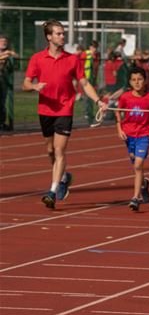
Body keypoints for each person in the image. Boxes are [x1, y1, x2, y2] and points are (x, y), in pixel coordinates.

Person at [23, 19, 107, 209]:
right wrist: (34, 86)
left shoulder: (72, 59)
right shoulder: (37, 58)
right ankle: (64, 176)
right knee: (50, 150)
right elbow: (26, 83)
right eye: (59, 33)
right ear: (49, 37)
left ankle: (53, 190)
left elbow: (84, 83)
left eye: (63, 33)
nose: (62, 36)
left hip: (64, 109)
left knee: (60, 151)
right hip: (45, 109)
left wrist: (98, 101)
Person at [115, 67, 149, 211]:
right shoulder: (125, 97)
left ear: (145, 81)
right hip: (129, 135)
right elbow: (118, 111)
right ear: (130, 82)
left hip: (144, 135)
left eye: (140, 79)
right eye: (134, 80)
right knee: (136, 164)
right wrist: (119, 128)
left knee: (138, 165)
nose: (137, 83)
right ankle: (144, 184)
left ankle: (135, 198)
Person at [0, 35, 17, 131]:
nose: (3, 42)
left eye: (5, 41)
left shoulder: (8, 52)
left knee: (2, 103)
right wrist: (4, 55)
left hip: (3, 80)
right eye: (1, 41)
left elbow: (16, 56)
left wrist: (8, 53)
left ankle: (2, 123)